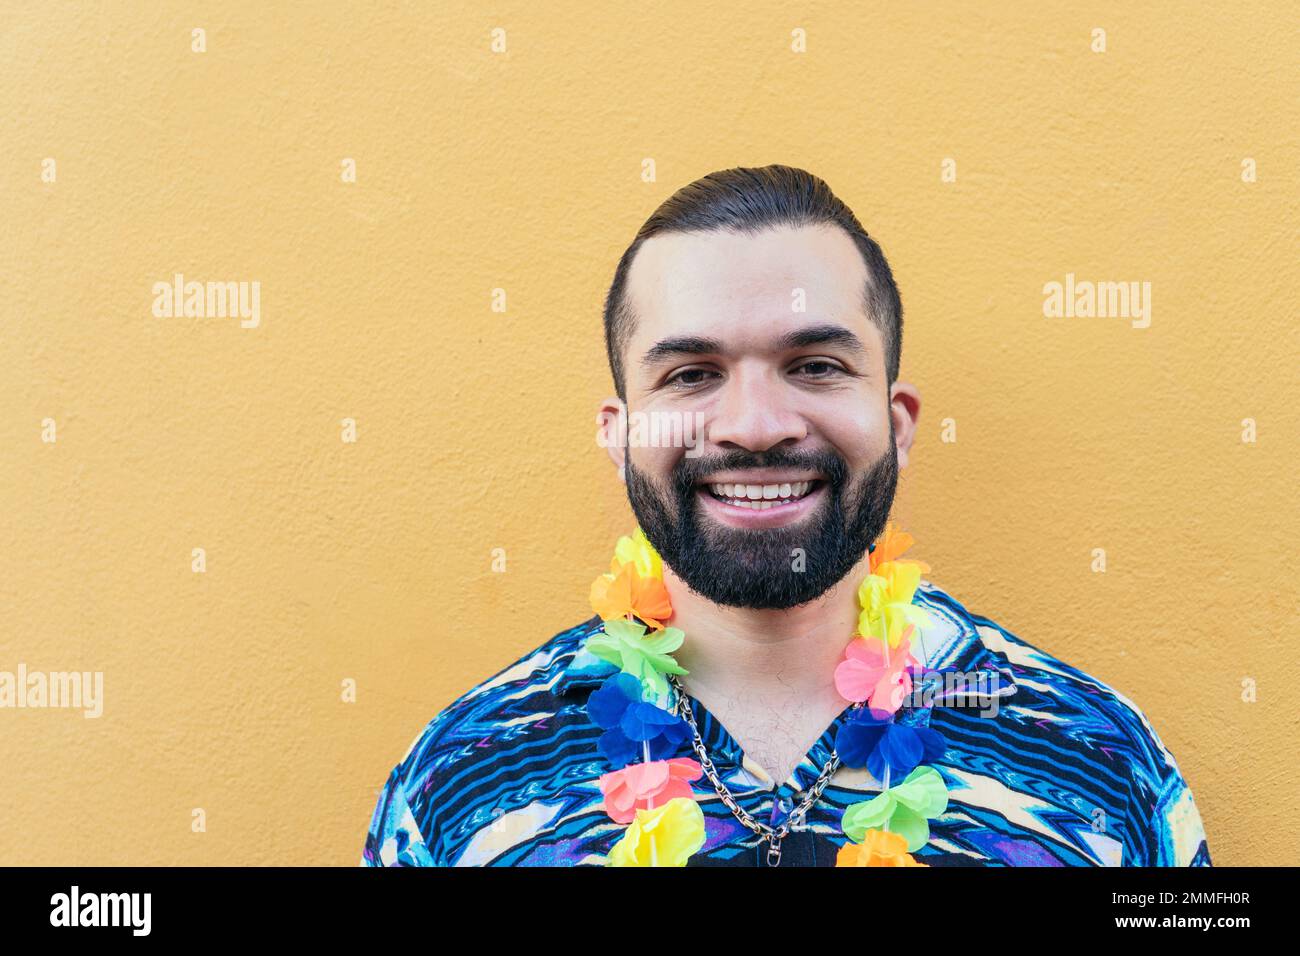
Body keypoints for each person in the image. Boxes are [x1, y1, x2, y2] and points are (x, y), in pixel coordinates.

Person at [361, 165, 1211, 867]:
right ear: (620, 437)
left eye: (814, 364)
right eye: (691, 373)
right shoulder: (463, 781)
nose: (756, 426)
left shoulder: (1096, 763)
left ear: (898, 422)